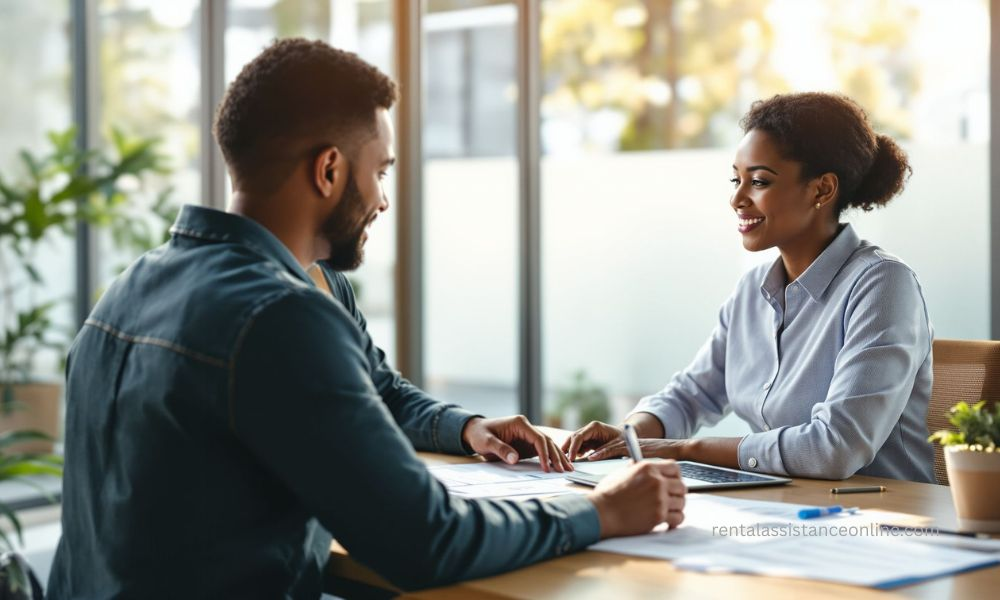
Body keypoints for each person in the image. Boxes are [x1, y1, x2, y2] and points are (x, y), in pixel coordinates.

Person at [47, 39, 686, 599]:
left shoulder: (129, 288)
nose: (383, 199)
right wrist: (600, 512)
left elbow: (369, 388)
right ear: (329, 169)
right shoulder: (280, 316)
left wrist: (465, 427)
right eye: (380, 171)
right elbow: (427, 540)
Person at [563, 92, 935, 484]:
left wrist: (684, 451)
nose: (737, 199)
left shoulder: (883, 284)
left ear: (822, 190)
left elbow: (834, 448)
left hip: (884, 520)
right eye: (736, 179)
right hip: (784, 507)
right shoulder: (753, 290)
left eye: (758, 181)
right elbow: (692, 394)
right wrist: (631, 436)